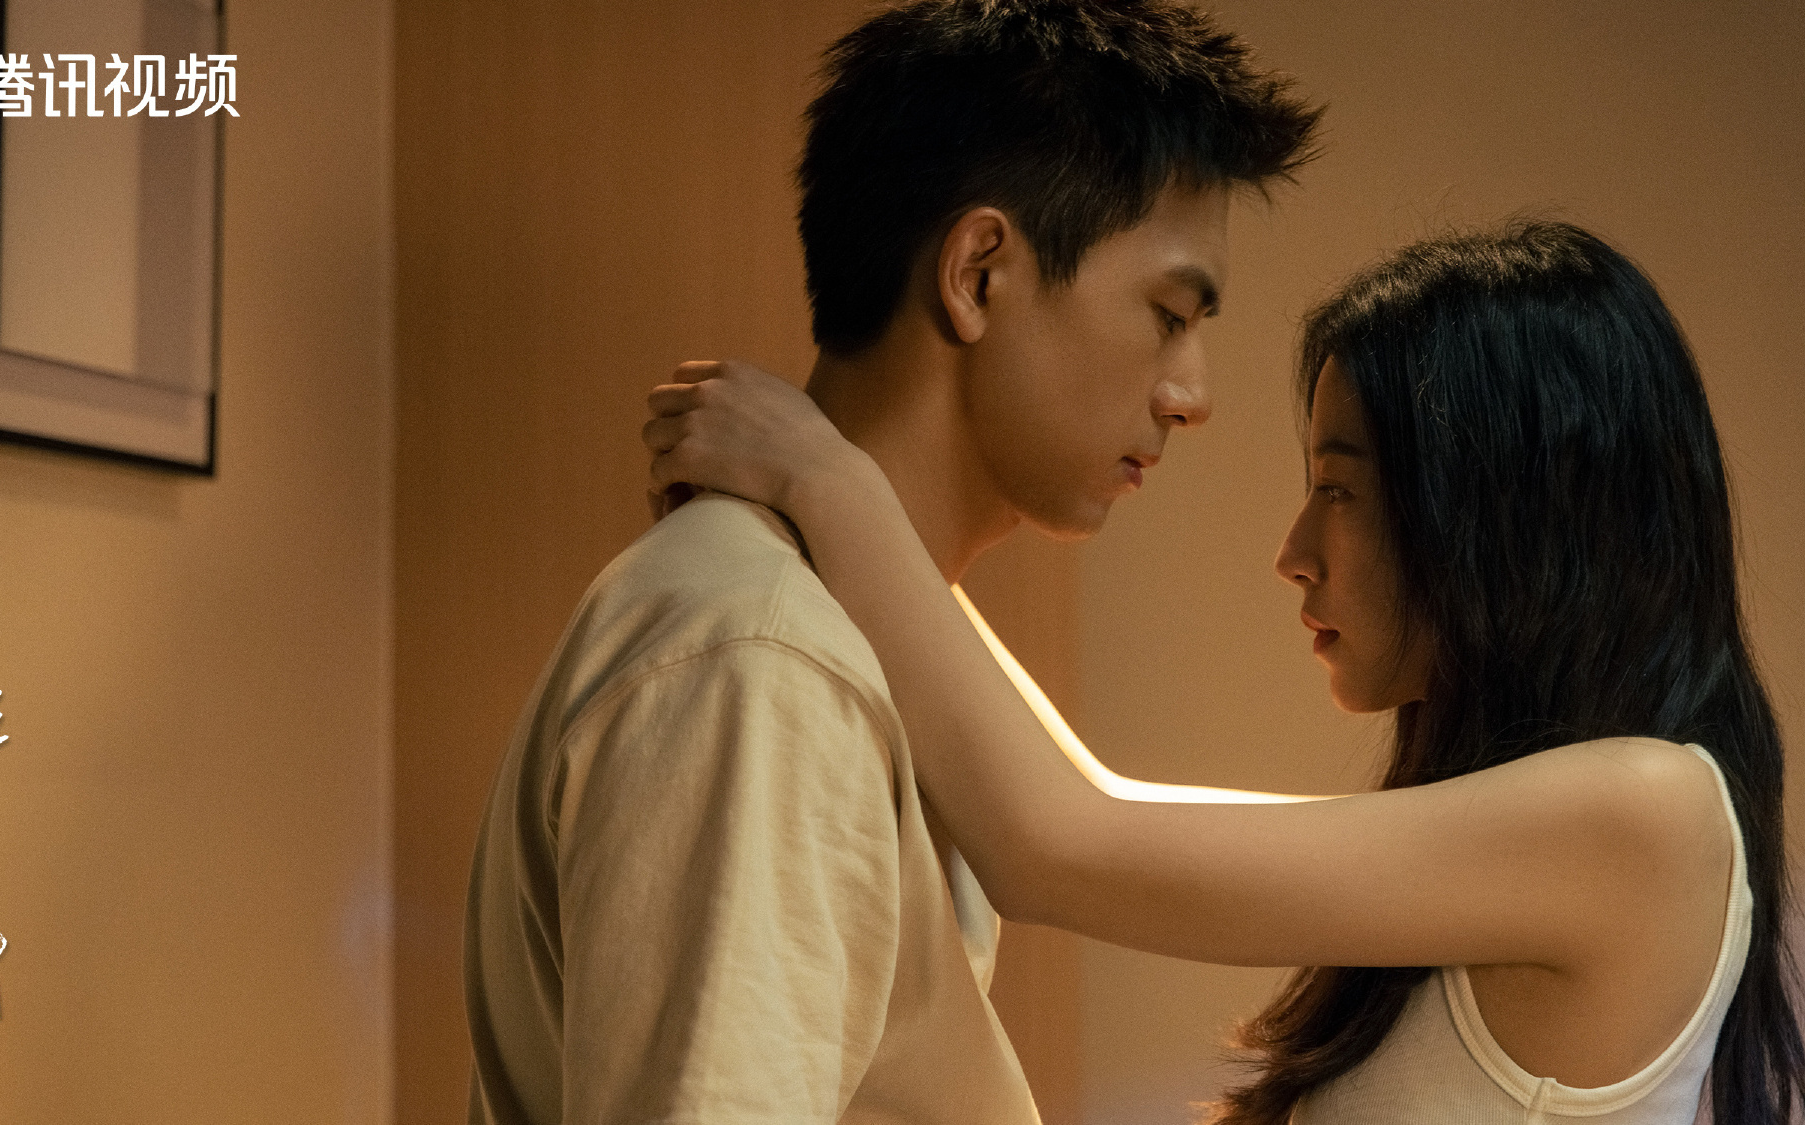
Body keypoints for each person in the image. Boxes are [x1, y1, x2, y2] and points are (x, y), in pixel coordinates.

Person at [643, 220, 1805, 1124]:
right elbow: (1080, 803)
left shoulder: (1644, 816)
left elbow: (1054, 841)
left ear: (1501, 513)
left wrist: (828, 480)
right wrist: (860, 504)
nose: (1293, 551)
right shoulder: (1572, 828)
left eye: (1338, 488)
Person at [462, 2, 1320, 1123]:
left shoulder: (840, 623)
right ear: (977, 273)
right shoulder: (766, 660)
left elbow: (1070, 823)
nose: (1190, 395)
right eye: (1168, 315)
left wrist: (829, 484)